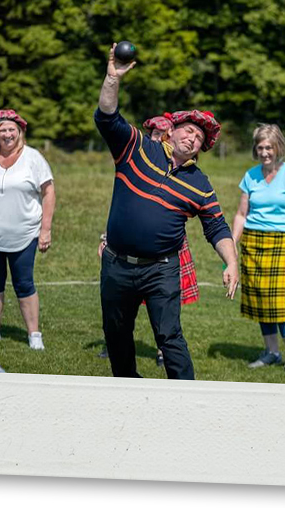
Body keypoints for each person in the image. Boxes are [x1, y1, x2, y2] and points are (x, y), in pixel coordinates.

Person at [95, 43, 238, 380]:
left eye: (199, 138)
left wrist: (231, 261)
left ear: (201, 150)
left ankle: (184, 400)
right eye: (188, 130)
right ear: (171, 130)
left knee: (170, 338)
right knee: (116, 336)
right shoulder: (136, 148)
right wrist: (112, 78)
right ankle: (127, 389)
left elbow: (216, 227)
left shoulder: (200, 183)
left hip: (161, 270)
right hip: (116, 263)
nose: (192, 138)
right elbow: (107, 117)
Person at [97, 116, 200, 367]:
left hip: (165, 248)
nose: (155, 137)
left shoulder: (185, 165)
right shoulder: (142, 154)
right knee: (122, 309)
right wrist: (109, 238)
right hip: (126, 251)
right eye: (152, 133)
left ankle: (164, 350)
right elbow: (129, 206)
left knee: (164, 308)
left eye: (160, 133)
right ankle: (116, 344)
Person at [232, 124, 285, 373]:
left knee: (282, 303)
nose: (265, 152)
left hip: (282, 242)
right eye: (261, 147)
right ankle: (272, 353)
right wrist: (232, 244)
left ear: (278, 148)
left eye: (269, 147)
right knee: (260, 302)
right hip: (253, 244)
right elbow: (242, 214)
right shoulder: (250, 176)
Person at [0, 109, 56, 350]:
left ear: (19, 132)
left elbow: (49, 192)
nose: (7, 134)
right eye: (2, 129)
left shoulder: (33, 158)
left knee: (24, 283)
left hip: (25, 235)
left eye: (12, 129)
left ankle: (34, 335)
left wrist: (46, 230)